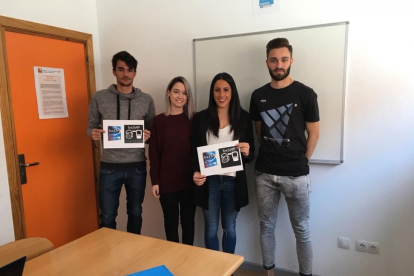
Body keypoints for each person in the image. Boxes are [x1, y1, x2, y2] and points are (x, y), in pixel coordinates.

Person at [249, 38, 320, 276]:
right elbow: (260, 132)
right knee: (266, 226)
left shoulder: (306, 94)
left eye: (283, 59)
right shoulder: (257, 95)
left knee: (301, 229)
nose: (278, 64)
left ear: (291, 60)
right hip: (264, 174)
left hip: (297, 175)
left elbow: (314, 133)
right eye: (273, 60)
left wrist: (302, 160)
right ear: (266, 62)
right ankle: (269, 272)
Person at [87, 51, 155, 234]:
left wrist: (148, 135)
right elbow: (91, 126)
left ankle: (132, 254)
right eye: (121, 69)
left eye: (129, 70)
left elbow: (152, 131)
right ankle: (109, 257)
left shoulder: (146, 100)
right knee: (108, 217)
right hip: (109, 167)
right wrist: (91, 133)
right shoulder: (99, 98)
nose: (125, 74)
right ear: (114, 71)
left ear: (135, 73)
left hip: (137, 167)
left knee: (135, 213)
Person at [192, 72, 255, 254]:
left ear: (232, 92)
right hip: (209, 182)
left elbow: (250, 155)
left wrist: (248, 152)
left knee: (230, 227)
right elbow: (193, 151)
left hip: (233, 183)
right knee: (211, 228)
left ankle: (229, 271)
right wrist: (195, 172)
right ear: (212, 93)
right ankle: (214, 270)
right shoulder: (201, 118)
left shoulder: (244, 118)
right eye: (217, 90)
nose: (221, 94)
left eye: (226, 90)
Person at [149, 76, 197, 245]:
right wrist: (155, 181)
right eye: (176, 91)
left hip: (190, 181)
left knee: (188, 223)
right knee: (170, 224)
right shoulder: (158, 121)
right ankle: (174, 261)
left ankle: (188, 259)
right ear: (168, 93)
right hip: (166, 182)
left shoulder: (194, 120)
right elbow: (154, 153)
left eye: (184, 93)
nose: (180, 96)